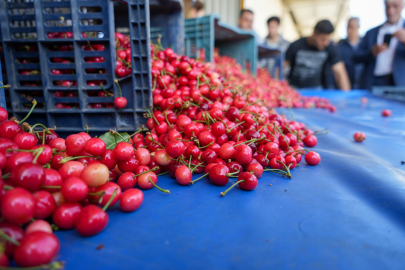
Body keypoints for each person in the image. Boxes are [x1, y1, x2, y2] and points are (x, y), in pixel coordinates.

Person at [285, 20, 351, 90]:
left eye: (328, 40)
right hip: (295, 88)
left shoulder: (329, 47)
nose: (326, 43)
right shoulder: (296, 45)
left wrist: (346, 96)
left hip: (317, 90)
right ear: (314, 34)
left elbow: (339, 71)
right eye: (322, 39)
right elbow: (283, 66)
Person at [354, 0, 405, 89]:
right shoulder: (371, 33)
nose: (391, 11)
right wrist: (371, 52)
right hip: (373, 82)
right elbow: (356, 57)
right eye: (387, 7)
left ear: (402, 6)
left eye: (395, 6)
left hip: (399, 83)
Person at [337, 18, 364, 89]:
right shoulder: (340, 46)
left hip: (363, 87)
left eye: (351, 27)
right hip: (345, 87)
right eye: (347, 27)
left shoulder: (365, 44)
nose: (348, 30)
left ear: (358, 27)